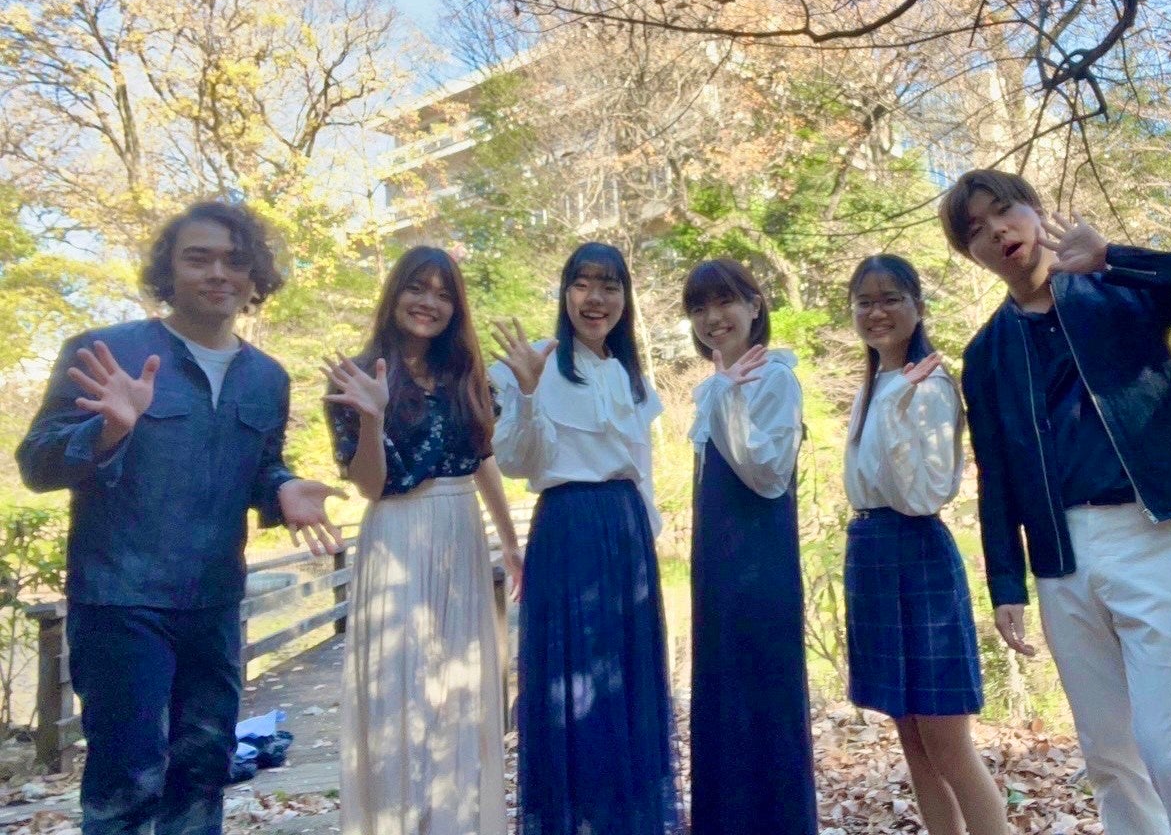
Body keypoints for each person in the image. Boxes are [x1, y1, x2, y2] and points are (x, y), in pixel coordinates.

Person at [939, 168, 1171, 835]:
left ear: (1034, 210)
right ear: (970, 254)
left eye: (1005, 210)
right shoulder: (987, 353)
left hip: (1157, 533)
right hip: (1062, 559)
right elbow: (997, 475)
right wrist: (1006, 584)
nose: (998, 231)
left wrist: (1116, 256)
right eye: (975, 230)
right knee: (1111, 758)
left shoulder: (1116, 288)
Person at [16, 201, 343, 835]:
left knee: (202, 772)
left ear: (254, 276)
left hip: (214, 604)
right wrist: (108, 429)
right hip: (120, 601)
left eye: (235, 261)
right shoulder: (108, 351)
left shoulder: (267, 378)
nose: (218, 273)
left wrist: (282, 489)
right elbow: (36, 464)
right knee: (128, 780)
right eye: (199, 258)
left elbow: (259, 468)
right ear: (169, 270)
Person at [322, 246, 523, 835]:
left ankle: (456, 822)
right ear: (395, 294)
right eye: (417, 288)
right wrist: (372, 417)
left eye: (443, 293)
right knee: (401, 689)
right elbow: (370, 485)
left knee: (459, 687)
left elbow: (481, 458)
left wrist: (510, 541)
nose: (428, 303)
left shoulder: (467, 375)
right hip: (397, 533)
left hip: (461, 531)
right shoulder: (358, 374)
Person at [489, 241, 682, 835]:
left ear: (625, 298)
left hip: (627, 536)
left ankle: (627, 820)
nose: (595, 299)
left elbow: (641, 469)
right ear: (565, 292)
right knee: (570, 684)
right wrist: (527, 392)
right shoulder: (538, 363)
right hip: (568, 527)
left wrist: (647, 540)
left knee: (626, 679)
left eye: (610, 286)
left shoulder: (628, 374)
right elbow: (516, 462)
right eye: (583, 284)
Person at [842, 254, 1008, 835]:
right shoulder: (875, 384)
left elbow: (922, 495)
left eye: (891, 299)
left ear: (918, 307)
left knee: (946, 739)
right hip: (871, 551)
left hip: (915, 553)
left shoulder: (930, 385)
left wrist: (895, 409)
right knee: (912, 740)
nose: (877, 312)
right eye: (865, 302)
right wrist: (888, 404)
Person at [681, 258, 817, 835]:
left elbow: (767, 473)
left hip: (760, 564)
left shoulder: (775, 378)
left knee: (764, 694)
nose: (713, 317)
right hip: (717, 564)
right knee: (722, 693)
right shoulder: (716, 385)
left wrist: (727, 397)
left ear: (755, 305)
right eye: (699, 307)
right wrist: (721, 392)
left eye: (725, 302)